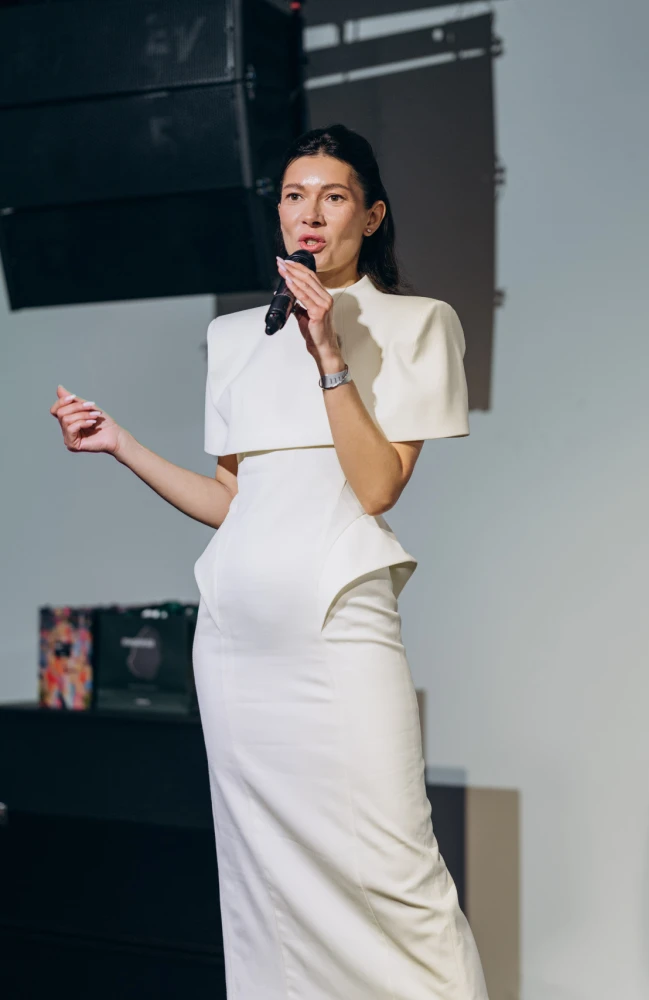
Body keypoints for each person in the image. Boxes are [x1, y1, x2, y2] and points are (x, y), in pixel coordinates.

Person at [50, 123, 489, 1000]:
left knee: (395, 876)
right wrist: (122, 445)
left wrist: (328, 354)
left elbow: (375, 488)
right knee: (261, 884)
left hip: (336, 622)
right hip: (235, 638)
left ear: (371, 215)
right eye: (293, 196)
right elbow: (232, 502)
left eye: (333, 196)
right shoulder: (233, 336)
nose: (309, 214)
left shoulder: (417, 323)